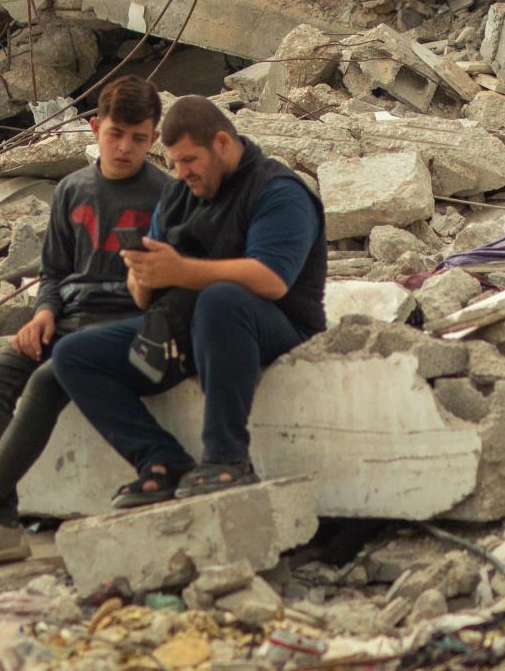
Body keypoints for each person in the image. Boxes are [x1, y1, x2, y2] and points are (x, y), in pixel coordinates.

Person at [0, 77, 165, 570]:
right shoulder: (72, 190)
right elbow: (54, 272)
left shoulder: (165, 197)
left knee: (51, 379)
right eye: (115, 134)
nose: (125, 147)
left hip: (121, 329)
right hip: (66, 322)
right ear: (95, 128)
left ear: (153, 138)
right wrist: (43, 313)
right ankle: (5, 528)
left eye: (138, 138)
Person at [49, 95, 326, 507]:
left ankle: (227, 458)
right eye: (175, 162)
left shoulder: (278, 191)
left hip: (271, 326)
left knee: (222, 299)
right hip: (186, 330)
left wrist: (180, 271)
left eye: (190, 160)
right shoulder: (179, 194)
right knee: (73, 354)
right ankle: (160, 461)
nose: (182, 173)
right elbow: (143, 298)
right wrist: (144, 273)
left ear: (222, 144)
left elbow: (271, 280)